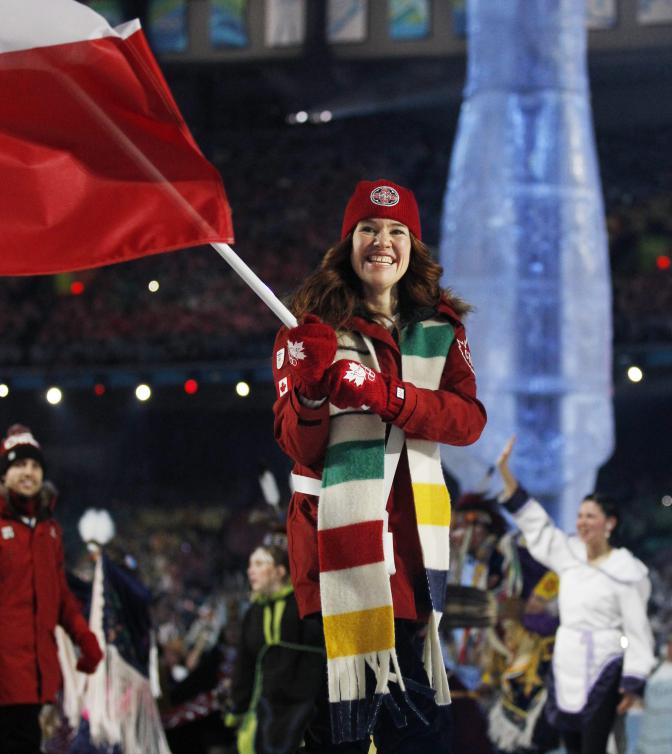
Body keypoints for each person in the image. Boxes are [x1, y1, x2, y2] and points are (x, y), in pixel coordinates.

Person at [272, 178, 487, 752]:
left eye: (397, 231)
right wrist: (312, 392)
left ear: (413, 246)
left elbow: (468, 420)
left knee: (399, 728)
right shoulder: (307, 329)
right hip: (335, 557)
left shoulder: (442, 328)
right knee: (352, 728)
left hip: (414, 560)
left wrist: (388, 396)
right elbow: (297, 445)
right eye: (368, 229)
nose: (382, 241)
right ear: (348, 243)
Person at [495, 436, 656, 754]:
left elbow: (638, 630)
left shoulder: (626, 571)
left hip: (605, 661)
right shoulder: (568, 553)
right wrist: (505, 472)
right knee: (573, 743)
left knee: (597, 743)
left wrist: (633, 681)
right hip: (567, 660)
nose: (582, 522)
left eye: (590, 517)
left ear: (609, 523)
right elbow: (537, 525)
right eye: (580, 516)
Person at [0, 424, 103, 753]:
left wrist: (85, 639)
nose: (28, 472)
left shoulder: (50, 531)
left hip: (35, 679)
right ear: (4, 475)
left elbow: (59, 597)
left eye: (34, 466)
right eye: (18, 465)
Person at [226, 543, 324, 754]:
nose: (250, 570)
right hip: (265, 714)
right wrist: (238, 707)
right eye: (250, 564)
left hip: (305, 716)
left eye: (259, 563)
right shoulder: (253, 613)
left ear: (280, 571)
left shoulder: (303, 606)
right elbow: (244, 665)